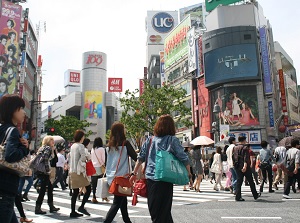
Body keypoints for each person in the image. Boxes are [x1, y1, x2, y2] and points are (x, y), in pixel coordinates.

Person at [130, 115, 191, 223]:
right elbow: (183, 158)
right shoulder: (172, 140)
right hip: (166, 180)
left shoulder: (150, 140)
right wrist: (189, 173)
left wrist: (134, 173)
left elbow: (140, 158)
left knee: (156, 214)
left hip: (151, 180)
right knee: (164, 212)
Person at [0, 95, 30, 223]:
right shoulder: (12, 131)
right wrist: (24, 148)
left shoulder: (1, 128)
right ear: (12, 110)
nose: (24, 112)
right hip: (6, 189)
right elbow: (10, 156)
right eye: (21, 108)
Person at [103, 122, 137, 223]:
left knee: (122, 201)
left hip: (111, 177)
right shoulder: (125, 143)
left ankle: (127, 221)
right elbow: (135, 157)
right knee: (117, 203)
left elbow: (106, 162)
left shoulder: (108, 145)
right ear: (121, 131)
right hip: (121, 178)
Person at [34, 136, 60, 214]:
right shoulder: (48, 148)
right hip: (44, 171)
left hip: (40, 170)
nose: (53, 142)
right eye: (51, 141)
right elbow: (45, 159)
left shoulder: (42, 148)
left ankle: (51, 206)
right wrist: (47, 169)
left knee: (49, 188)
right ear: (48, 141)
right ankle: (38, 207)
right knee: (43, 190)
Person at [233, 136, 260, 201]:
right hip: (245, 166)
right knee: (250, 181)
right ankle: (255, 195)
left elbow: (233, 157)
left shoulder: (235, 147)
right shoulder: (245, 148)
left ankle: (238, 196)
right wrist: (245, 166)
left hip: (237, 166)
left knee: (239, 181)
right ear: (244, 140)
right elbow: (246, 158)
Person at [90, 137, 109, 203]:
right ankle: (104, 196)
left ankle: (94, 197)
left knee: (94, 184)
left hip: (93, 167)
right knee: (103, 182)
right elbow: (103, 159)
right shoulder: (102, 149)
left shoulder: (92, 149)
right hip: (100, 167)